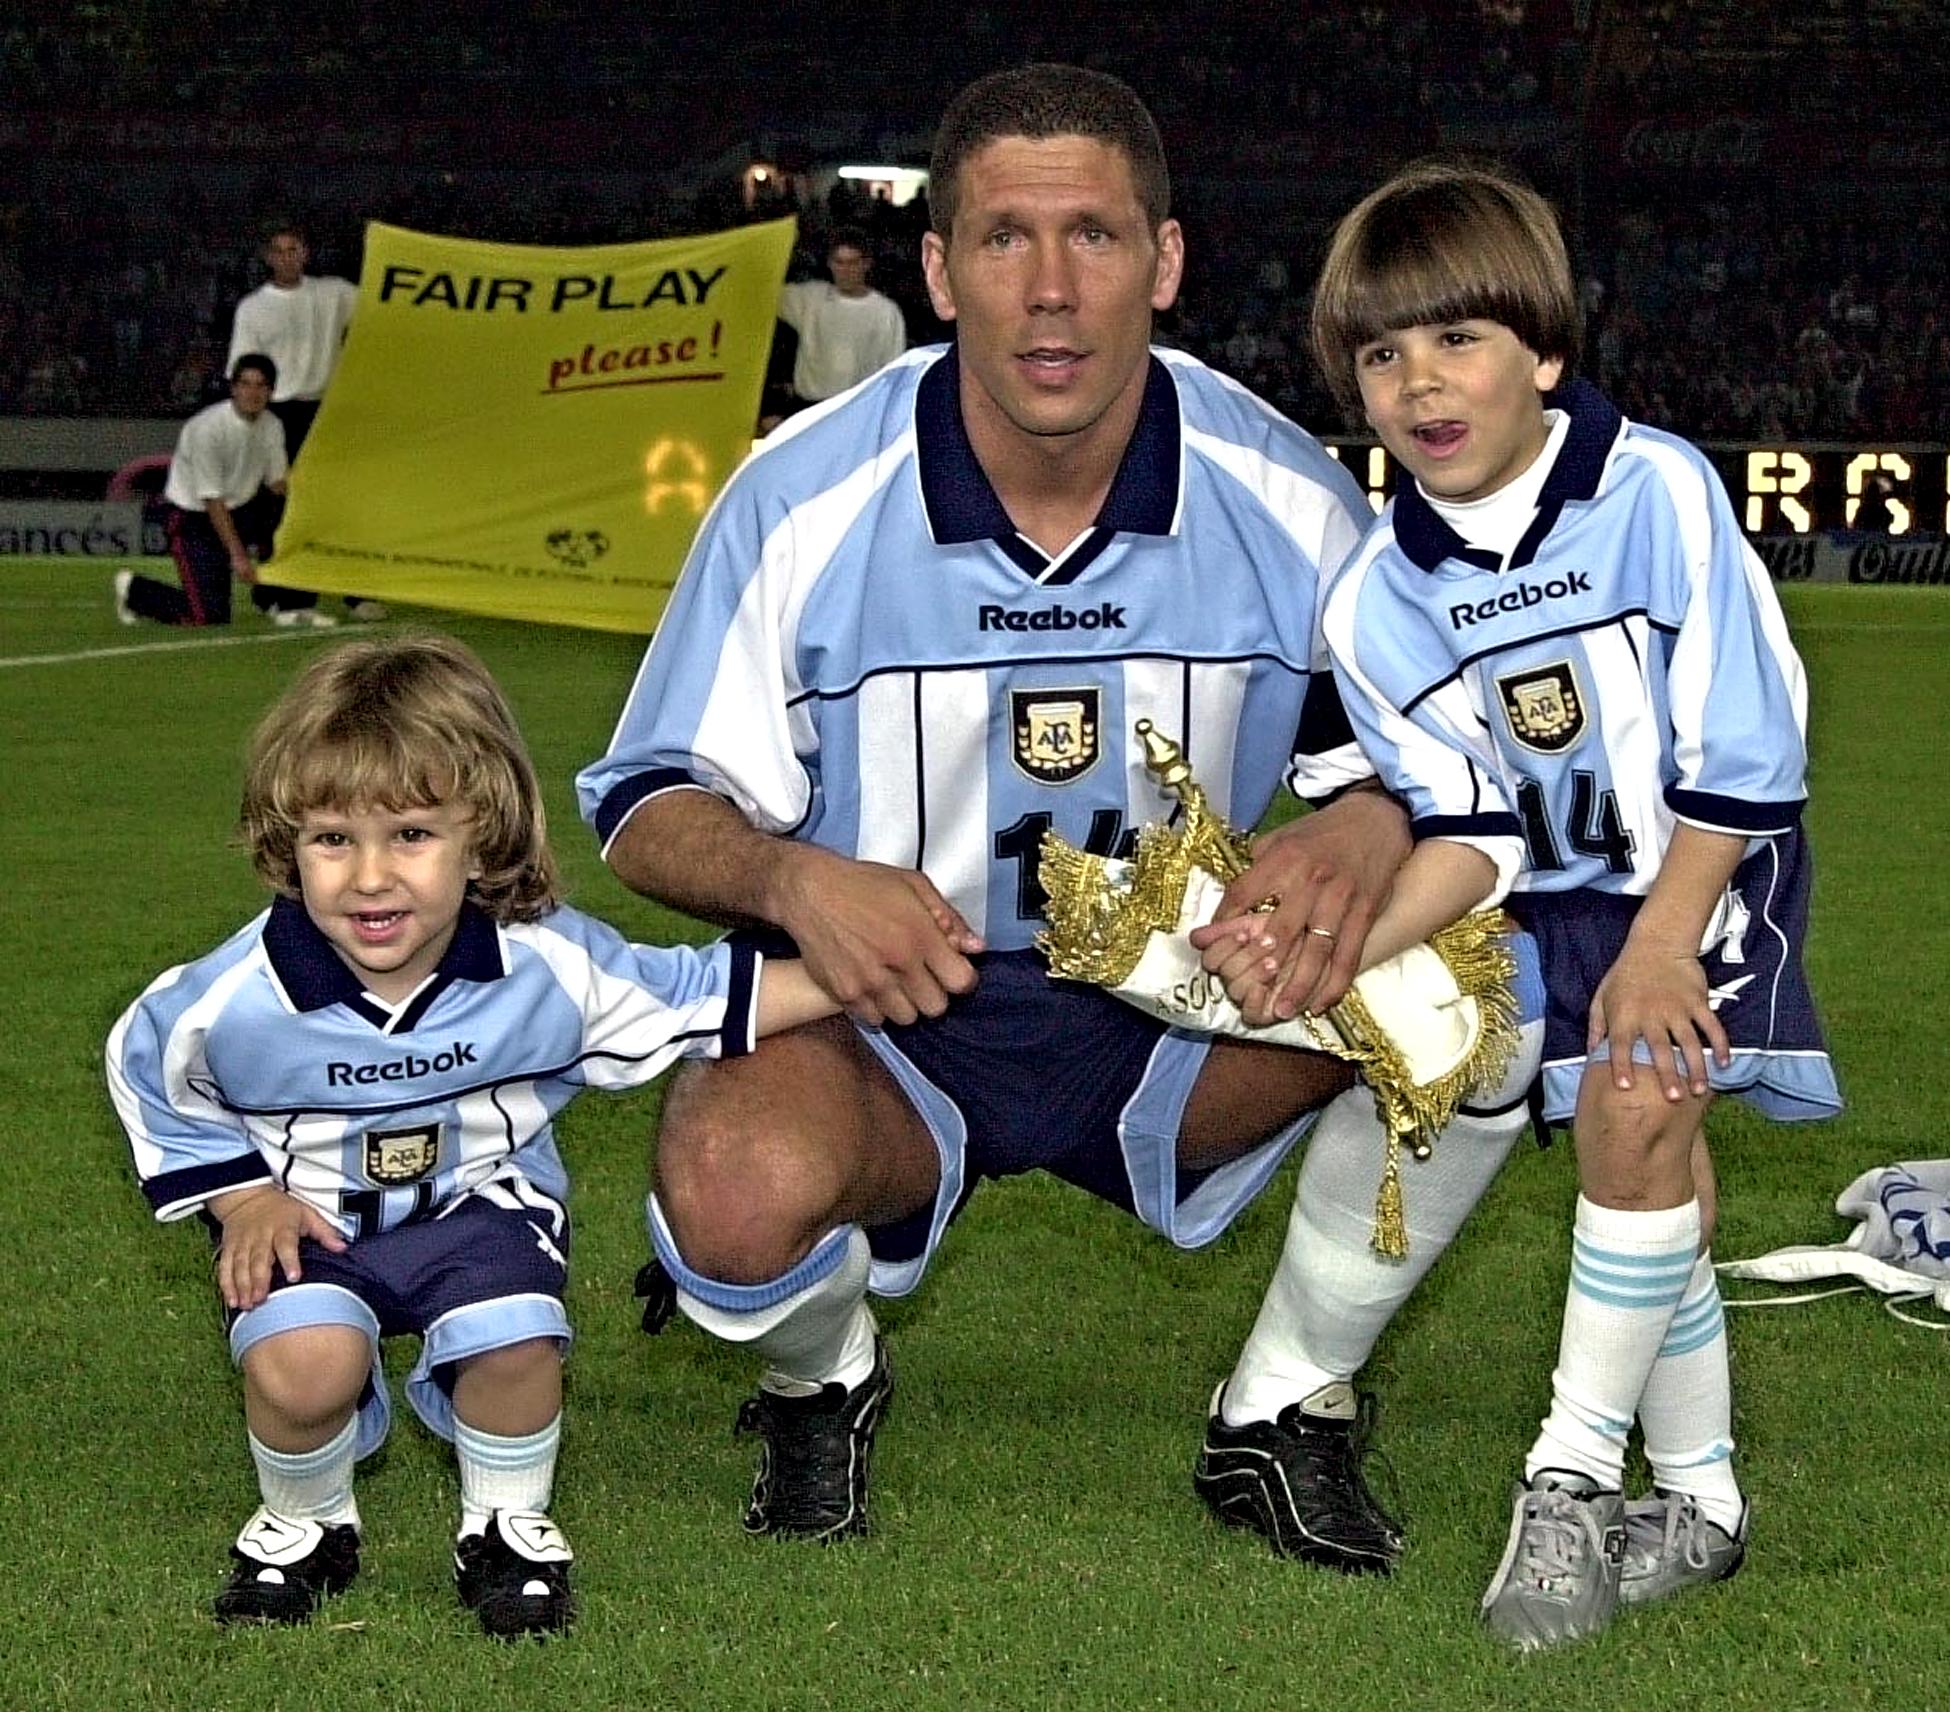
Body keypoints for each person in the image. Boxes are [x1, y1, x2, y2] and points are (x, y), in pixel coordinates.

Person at [576, 65, 1542, 1573]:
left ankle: (1284, 1403)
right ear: (937, 264)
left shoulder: (1283, 498)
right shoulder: (799, 497)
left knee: (1488, 1002)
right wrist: (794, 877)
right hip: (883, 1014)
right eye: (1003, 238)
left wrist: (1359, 830)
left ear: (1161, 262)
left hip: (1180, 1007)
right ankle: (819, 1375)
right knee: (725, 1192)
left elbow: (1455, 774)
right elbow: (642, 807)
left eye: (1092, 237)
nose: (1047, 293)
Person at [1304, 162, 1842, 1648]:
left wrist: (1664, 944)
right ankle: (1705, 1504)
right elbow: (1469, 830)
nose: (1419, 380)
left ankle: (1568, 1482)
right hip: (1556, 900)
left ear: (1542, 352)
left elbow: (1745, 747)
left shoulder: (1653, 486)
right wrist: (1341, 947)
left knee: (1629, 1108)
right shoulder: (1372, 602)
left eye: (1456, 338)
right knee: (1653, 1179)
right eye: (1380, 353)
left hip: (1707, 862)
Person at [106, 635, 840, 1635]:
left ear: (482, 832)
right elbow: (147, 1063)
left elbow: (698, 994)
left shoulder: (547, 963)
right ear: (288, 842)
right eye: (332, 839)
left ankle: (505, 1521)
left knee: (515, 1338)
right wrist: (242, 1197)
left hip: (479, 1199)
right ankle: (307, 1520)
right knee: (304, 1363)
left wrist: (860, 973)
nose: (370, 877)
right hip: (307, 1213)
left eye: (410, 833)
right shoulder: (235, 996)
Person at [226, 223, 378, 624]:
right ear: (268, 257)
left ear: (305, 253)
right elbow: (244, 368)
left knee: (340, 501)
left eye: (294, 249)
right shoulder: (253, 307)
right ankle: (280, 591)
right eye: (279, 250)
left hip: (326, 411)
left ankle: (356, 593)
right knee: (278, 504)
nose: (287, 257)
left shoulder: (333, 293)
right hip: (277, 411)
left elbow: (384, 301)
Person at [113, 352, 287, 627]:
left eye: (261, 385)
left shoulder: (272, 426)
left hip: (241, 510)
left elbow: (278, 485)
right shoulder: (208, 429)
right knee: (207, 615)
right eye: (245, 384)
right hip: (194, 519)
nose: (252, 392)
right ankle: (135, 591)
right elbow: (212, 500)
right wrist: (238, 555)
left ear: (271, 391)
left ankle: (277, 598)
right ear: (234, 388)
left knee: (280, 514)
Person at [776, 226, 909, 408]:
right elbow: (763, 292)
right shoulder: (809, 298)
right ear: (829, 264)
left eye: (852, 263)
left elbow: (893, 369)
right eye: (839, 262)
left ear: (866, 264)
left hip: (858, 407)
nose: (845, 270)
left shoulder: (886, 312)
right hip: (809, 406)